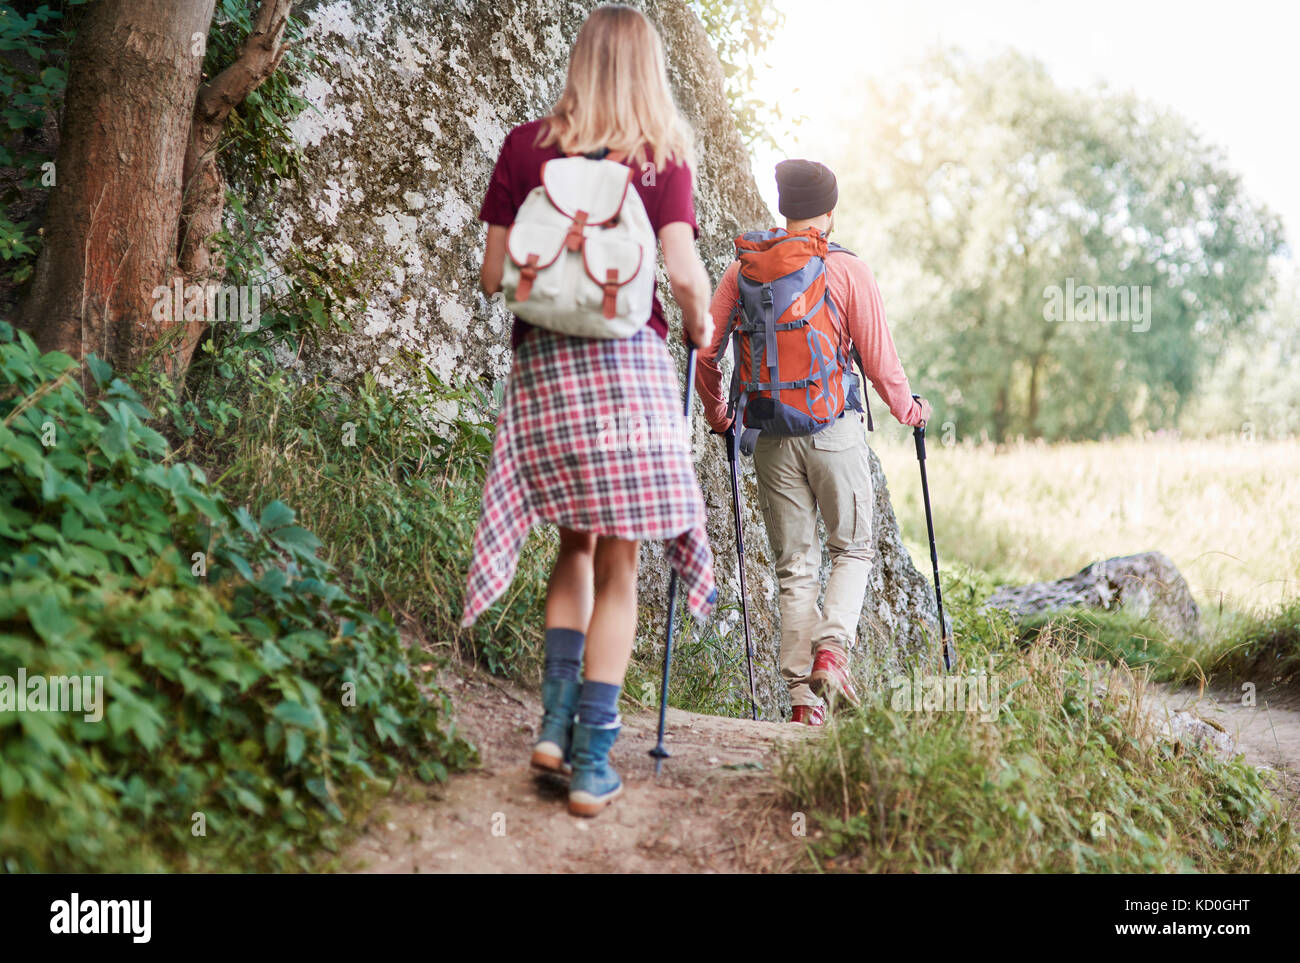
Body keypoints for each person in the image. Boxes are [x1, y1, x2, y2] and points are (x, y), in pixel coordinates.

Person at [461, 5, 716, 816]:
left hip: (543, 369)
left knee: (572, 543)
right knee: (621, 563)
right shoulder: (661, 159)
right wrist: (701, 327)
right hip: (627, 371)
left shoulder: (525, 147)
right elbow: (682, 276)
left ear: (579, 63)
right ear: (650, 70)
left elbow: (494, 270)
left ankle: (551, 725)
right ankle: (593, 760)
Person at [695, 159, 931, 725]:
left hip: (771, 439)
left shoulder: (742, 272)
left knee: (796, 568)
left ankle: (805, 707)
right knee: (852, 549)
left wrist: (721, 416)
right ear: (828, 211)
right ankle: (833, 653)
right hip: (834, 435)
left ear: (784, 209)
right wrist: (910, 411)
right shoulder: (846, 268)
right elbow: (879, 361)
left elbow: (705, 352)